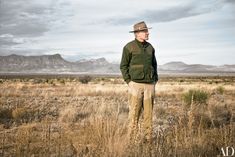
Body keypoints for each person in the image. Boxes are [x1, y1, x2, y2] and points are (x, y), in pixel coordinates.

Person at [120, 21, 158, 146]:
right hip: (135, 85)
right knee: (134, 114)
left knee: (148, 115)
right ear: (137, 33)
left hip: (149, 86)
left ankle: (148, 140)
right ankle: (132, 141)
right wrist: (128, 81)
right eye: (145, 31)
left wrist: (155, 80)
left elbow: (154, 65)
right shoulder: (129, 47)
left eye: (147, 31)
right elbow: (123, 66)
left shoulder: (150, 47)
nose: (148, 33)